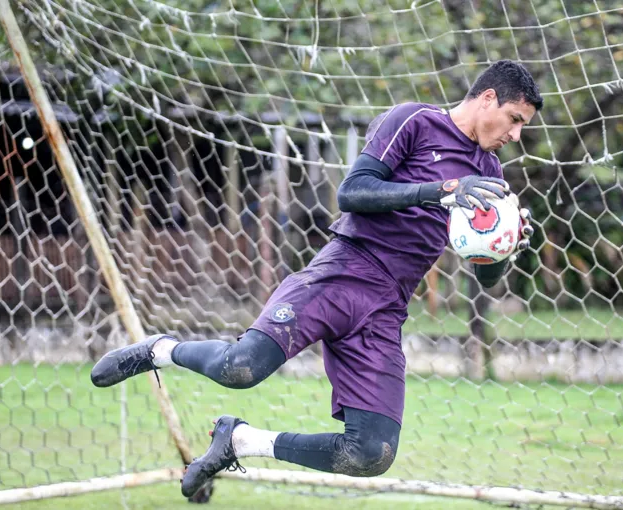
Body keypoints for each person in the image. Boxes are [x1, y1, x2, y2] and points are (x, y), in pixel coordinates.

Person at [90, 59, 543, 498]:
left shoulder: (489, 175)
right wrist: (440, 191)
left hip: (386, 309)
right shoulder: (415, 121)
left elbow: (484, 277)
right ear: (487, 98)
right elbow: (353, 192)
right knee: (240, 367)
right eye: (514, 119)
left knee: (371, 452)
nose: (516, 135)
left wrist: (506, 247)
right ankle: (159, 350)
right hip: (343, 272)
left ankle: (241, 442)